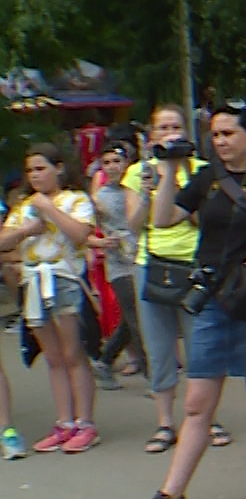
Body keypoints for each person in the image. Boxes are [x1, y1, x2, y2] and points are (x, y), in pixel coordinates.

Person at [122, 101, 246, 499]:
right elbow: (165, 219)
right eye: (217, 134)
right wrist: (170, 170)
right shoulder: (206, 177)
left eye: (229, 133)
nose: (221, 141)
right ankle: (171, 493)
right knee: (197, 401)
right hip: (209, 297)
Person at [125, 106, 231, 454]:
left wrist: (180, 175)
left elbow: (208, 222)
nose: (170, 133)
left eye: (176, 127)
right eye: (163, 128)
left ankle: (205, 417)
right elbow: (136, 224)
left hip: (195, 264)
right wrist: (148, 190)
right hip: (152, 264)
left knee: (201, 344)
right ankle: (165, 422)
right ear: (152, 135)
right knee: (159, 346)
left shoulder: (202, 171)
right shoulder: (138, 172)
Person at [0, 145, 99, 453]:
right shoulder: (23, 208)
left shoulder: (75, 200)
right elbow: (3, 240)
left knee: (73, 353)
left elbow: (81, 235)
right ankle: (64, 421)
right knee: (53, 356)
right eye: (30, 170)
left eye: (41, 168)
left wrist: (49, 209)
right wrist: (27, 228)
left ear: (59, 167)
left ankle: (85, 422)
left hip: (64, 279)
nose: (35, 175)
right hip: (34, 282)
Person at [89, 143, 147, 385]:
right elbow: (85, 232)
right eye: (107, 162)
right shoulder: (99, 198)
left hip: (142, 257)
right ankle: (152, 374)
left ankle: (104, 360)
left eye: (117, 161)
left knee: (130, 316)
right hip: (119, 263)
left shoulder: (135, 190)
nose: (112, 167)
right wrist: (101, 244)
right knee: (136, 317)